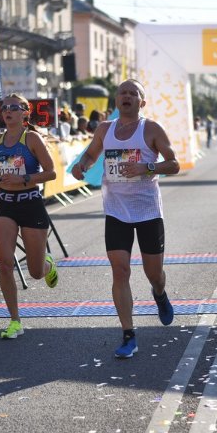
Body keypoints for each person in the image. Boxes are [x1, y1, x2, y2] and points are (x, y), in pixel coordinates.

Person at [72, 79, 180, 358]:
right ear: (117, 99)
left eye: (133, 93)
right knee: (120, 271)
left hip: (147, 211)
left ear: (142, 102)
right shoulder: (105, 129)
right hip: (116, 210)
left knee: (154, 274)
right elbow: (91, 154)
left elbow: (174, 164)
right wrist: (82, 166)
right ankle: (128, 335)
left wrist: (147, 167)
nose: (127, 96)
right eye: (123, 92)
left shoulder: (151, 129)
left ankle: (159, 293)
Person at [0, 94, 58, 339]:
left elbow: (51, 173)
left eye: (13, 108)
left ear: (25, 113)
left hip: (30, 202)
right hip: (5, 204)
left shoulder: (32, 138)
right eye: (4, 108)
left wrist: (23, 178)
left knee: (35, 272)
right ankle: (15, 321)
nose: (7, 111)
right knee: (5, 263)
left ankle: (47, 264)